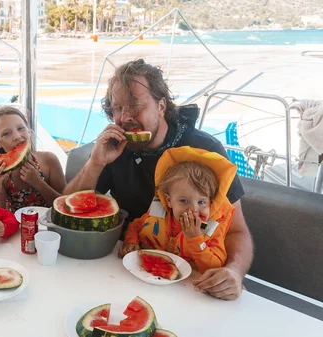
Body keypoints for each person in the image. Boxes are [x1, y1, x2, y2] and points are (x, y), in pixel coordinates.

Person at [64, 59, 254, 300]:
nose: (125, 117)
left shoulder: (204, 149)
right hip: (129, 267)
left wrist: (234, 272)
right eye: (117, 108)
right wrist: (95, 163)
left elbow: (237, 231)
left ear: (161, 105)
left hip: (197, 278)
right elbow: (68, 207)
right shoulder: (114, 148)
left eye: (136, 106)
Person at [120, 146, 237, 274]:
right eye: (184, 201)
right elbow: (135, 226)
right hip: (147, 275)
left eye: (201, 202)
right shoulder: (157, 214)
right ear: (169, 201)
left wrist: (196, 240)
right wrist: (131, 241)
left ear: (211, 202)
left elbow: (215, 267)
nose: (193, 209)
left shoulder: (212, 230)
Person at [0, 106, 67, 213]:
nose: (17, 136)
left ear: (28, 131)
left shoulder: (49, 160)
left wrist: (39, 183)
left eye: (20, 128)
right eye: (6, 133)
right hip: (19, 227)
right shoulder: (0, 173)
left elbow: (65, 205)